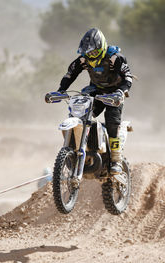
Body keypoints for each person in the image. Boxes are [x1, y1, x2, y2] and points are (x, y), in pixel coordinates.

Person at [54, 27, 133, 175]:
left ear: (102, 47)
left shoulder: (115, 58)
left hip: (114, 93)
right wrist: (61, 90)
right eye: (88, 53)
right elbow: (70, 74)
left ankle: (116, 159)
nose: (91, 56)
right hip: (95, 91)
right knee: (80, 114)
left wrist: (121, 91)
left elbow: (128, 77)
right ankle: (76, 149)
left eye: (94, 52)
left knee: (112, 123)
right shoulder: (83, 60)